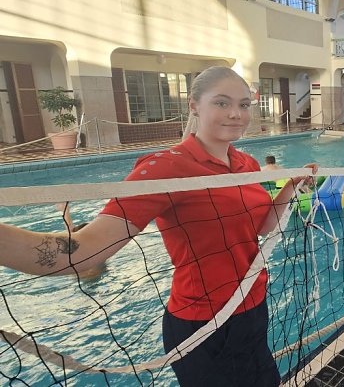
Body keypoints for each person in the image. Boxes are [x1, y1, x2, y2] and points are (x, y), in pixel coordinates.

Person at [0, 66, 317, 386]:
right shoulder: (164, 168)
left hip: (251, 307)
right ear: (194, 105)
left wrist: (289, 187)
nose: (236, 113)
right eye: (221, 103)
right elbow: (82, 252)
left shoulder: (245, 164)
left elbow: (261, 228)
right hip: (202, 325)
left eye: (244, 105)